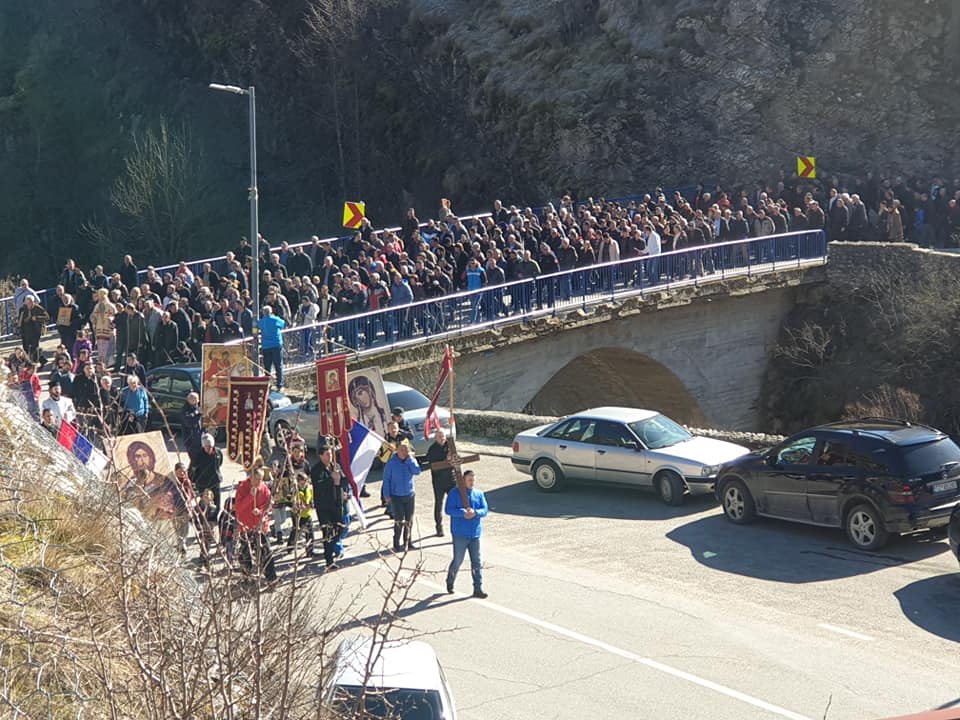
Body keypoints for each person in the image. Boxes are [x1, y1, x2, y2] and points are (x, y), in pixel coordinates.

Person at [444, 469, 489, 598]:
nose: (472, 482)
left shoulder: (479, 494)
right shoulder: (454, 493)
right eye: (469, 480)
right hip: (460, 533)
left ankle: (478, 588)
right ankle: (450, 581)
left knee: (476, 562)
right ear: (463, 480)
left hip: (474, 533)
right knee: (458, 560)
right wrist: (463, 513)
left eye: (473, 480)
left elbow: (485, 509)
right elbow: (448, 510)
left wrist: (476, 513)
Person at [235, 465, 278, 584]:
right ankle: (246, 576)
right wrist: (250, 497)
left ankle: (271, 577)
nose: (259, 482)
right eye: (257, 479)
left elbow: (269, 504)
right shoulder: (243, 487)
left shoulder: (263, 488)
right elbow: (238, 508)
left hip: (260, 525)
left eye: (261, 479)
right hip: (246, 526)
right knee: (246, 553)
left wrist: (260, 511)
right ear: (251, 477)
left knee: (266, 551)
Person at [310, 443, 347, 569]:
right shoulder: (316, 470)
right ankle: (329, 559)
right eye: (327, 454)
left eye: (331, 454)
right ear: (321, 456)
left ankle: (331, 548)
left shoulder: (335, 466)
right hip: (324, 506)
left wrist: (344, 491)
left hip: (336, 503)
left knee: (340, 528)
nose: (330, 456)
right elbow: (319, 486)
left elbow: (343, 479)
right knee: (327, 532)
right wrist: (331, 479)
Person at [382, 440, 421, 552]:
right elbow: (386, 479)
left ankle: (408, 541)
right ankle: (396, 543)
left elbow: (417, 471)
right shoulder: (391, 463)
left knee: (409, 520)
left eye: (406, 449)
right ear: (397, 450)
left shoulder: (410, 461)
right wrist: (386, 494)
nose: (404, 452)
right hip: (396, 496)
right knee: (399, 520)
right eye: (401, 450)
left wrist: (410, 461)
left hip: (409, 494)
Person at [426, 429, 456, 537]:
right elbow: (434, 466)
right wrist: (446, 460)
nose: (442, 438)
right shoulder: (432, 450)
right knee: (439, 504)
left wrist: (453, 459)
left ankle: (456, 528)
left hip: (451, 480)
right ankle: (439, 527)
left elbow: (457, 460)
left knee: (456, 504)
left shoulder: (450, 446)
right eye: (439, 437)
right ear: (435, 438)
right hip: (439, 482)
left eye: (443, 436)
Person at [190, 433, 224, 510]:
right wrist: (193, 482)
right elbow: (192, 468)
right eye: (206, 447)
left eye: (210, 447)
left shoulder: (218, 452)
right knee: (204, 505)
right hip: (203, 483)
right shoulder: (198, 455)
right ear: (203, 446)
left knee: (217, 505)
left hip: (215, 481)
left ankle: (214, 519)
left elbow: (220, 463)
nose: (208, 449)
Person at [287, 472, 316, 557]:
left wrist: (311, 505)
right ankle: (290, 547)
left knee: (310, 533)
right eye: (302, 481)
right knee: (296, 531)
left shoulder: (309, 488)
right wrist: (295, 505)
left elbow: (311, 499)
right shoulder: (294, 490)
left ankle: (310, 551)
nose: (304, 483)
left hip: (307, 513)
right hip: (297, 515)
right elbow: (288, 501)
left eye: (305, 481)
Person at [258, 305, 286, 391]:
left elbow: (257, 328)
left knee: (267, 366)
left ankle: (267, 384)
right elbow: (283, 324)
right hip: (276, 344)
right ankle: (280, 385)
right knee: (278, 365)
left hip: (266, 346)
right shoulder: (275, 319)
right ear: (271, 311)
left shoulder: (261, 322)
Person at [18, 296, 49, 363]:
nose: (29, 304)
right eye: (27, 303)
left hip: (36, 330)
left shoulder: (38, 308)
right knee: (26, 348)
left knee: (34, 347)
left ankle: (35, 362)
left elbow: (46, 317)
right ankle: (42, 360)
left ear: (33, 302)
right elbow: (20, 320)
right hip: (26, 331)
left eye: (30, 302)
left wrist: (37, 318)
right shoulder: (23, 309)